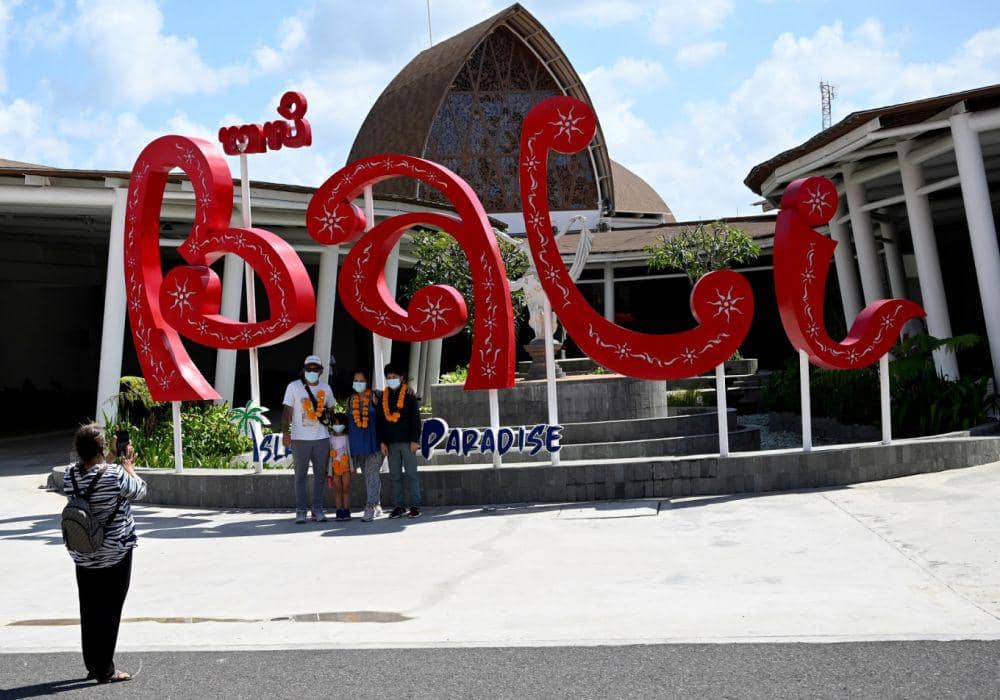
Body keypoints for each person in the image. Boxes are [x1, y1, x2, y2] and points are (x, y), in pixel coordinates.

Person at [62, 423, 147, 684]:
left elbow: (93, 476)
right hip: (114, 554)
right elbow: (140, 490)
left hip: (83, 553)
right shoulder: (116, 476)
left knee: (89, 609)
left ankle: (93, 664)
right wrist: (128, 467)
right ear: (100, 449)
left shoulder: (70, 476)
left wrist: (108, 457)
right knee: (110, 610)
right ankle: (105, 670)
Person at [282, 355, 333, 523]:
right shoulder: (293, 387)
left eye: (315, 369)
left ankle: (317, 509)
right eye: (308, 369)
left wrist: (328, 419)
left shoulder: (326, 389)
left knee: (320, 476)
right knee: (300, 477)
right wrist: (286, 433)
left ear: (321, 371)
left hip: (322, 439)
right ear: (303, 370)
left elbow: (331, 411)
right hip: (299, 439)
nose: (311, 372)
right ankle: (301, 510)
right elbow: (287, 412)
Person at [376, 364, 423, 518]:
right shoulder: (383, 397)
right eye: (388, 378)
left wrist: (415, 440)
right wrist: (382, 442)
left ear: (402, 378)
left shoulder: (409, 395)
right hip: (391, 444)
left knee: (412, 474)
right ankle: (399, 506)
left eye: (394, 377)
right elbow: (380, 421)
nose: (391, 380)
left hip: (408, 442)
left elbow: (416, 420)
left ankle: (415, 505)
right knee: (395, 476)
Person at [347, 369, 383, 522]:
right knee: (368, 476)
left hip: (374, 444)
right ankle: (377, 504)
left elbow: (394, 398)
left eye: (361, 381)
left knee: (372, 473)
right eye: (356, 380)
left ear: (367, 382)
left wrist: (410, 390)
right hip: (357, 446)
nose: (358, 383)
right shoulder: (350, 400)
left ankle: (370, 506)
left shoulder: (376, 396)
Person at [328, 412, 352, 521]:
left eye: (339, 423)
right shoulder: (330, 438)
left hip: (346, 467)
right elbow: (329, 456)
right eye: (335, 423)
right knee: (337, 491)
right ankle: (338, 511)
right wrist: (329, 472)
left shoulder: (347, 437)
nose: (337, 425)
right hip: (335, 468)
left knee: (346, 490)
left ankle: (346, 511)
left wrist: (352, 467)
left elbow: (350, 453)